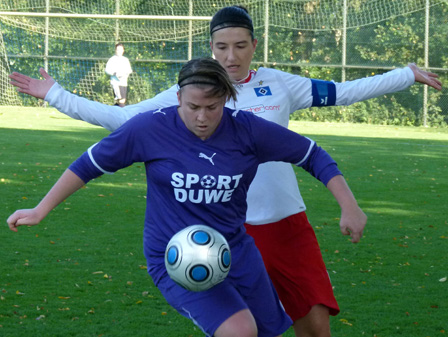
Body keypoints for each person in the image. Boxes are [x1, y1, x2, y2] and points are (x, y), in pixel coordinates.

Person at [8, 6, 442, 337]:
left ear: (254, 45)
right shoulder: (186, 95)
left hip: (280, 224)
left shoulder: (278, 87)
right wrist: (57, 94)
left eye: (239, 45)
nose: (230, 55)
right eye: (221, 46)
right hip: (212, 231)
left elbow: (343, 95)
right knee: (238, 328)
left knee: (311, 325)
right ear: (210, 49)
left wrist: (403, 75)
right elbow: (118, 125)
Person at [7, 57, 367, 337]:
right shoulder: (150, 128)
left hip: (235, 251)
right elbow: (90, 164)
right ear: (178, 97)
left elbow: (312, 155)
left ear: (226, 99)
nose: (202, 117)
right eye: (192, 106)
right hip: (175, 257)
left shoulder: (248, 131)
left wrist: (349, 206)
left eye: (212, 108)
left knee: (265, 331)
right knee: (240, 331)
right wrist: (41, 209)